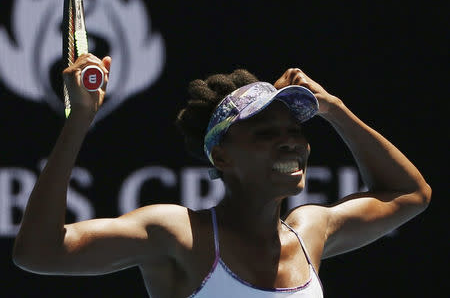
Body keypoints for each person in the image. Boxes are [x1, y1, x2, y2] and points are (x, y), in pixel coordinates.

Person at [13, 53, 431, 298]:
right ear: (222, 157)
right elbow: (38, 253)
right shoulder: (176, 235)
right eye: (266, 133)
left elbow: (411, 193)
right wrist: (79, 120)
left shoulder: (310, 232)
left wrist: (334, 109)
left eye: (296, 130)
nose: (291, 143)